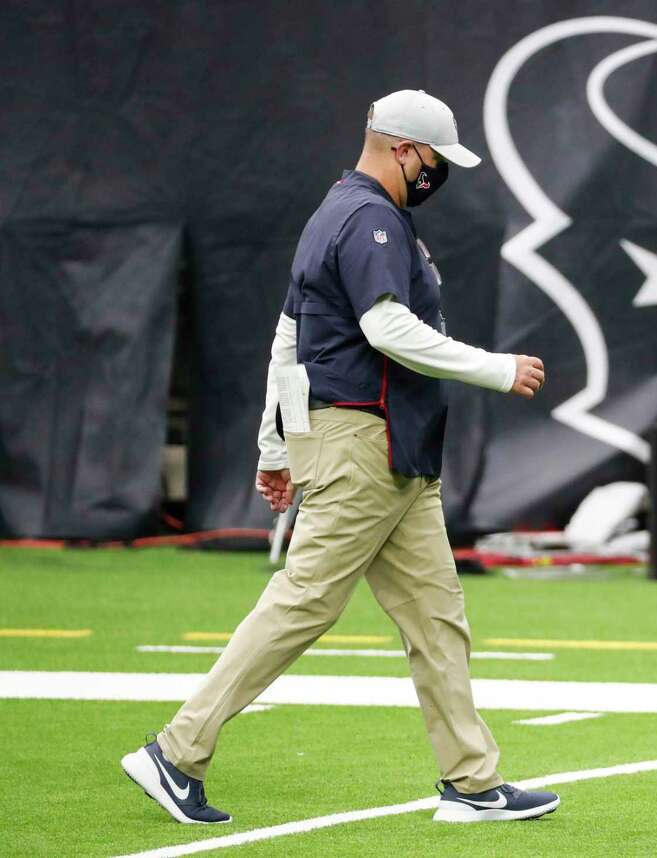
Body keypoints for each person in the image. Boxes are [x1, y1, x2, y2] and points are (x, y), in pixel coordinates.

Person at [121, 89, 559, 825]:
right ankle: (176, 751)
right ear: (403, 149)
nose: (438, 173)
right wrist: (495, 367)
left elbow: (288, 340)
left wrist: (275, 444)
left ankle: (472, 782)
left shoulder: (342, 214)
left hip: (389, 449)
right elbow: (386, 328)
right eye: (435, 159)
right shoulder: (369, 218)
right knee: (304, 602)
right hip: (365, 441)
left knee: (436, 618)